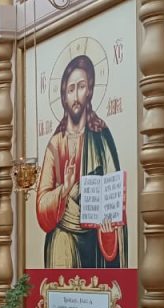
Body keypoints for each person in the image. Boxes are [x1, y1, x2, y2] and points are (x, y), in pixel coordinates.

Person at [36, 54, 126, 269]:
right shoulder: (55, 145)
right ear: (64, 96)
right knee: (61, 241)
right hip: (62, 241)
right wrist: (65, 189)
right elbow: (41, 207)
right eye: (70, 89)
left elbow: (114, 199)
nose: (76, 96)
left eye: (81, 87)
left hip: (95, 242)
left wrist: (109, 231)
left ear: (90, 91)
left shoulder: (101, 138)